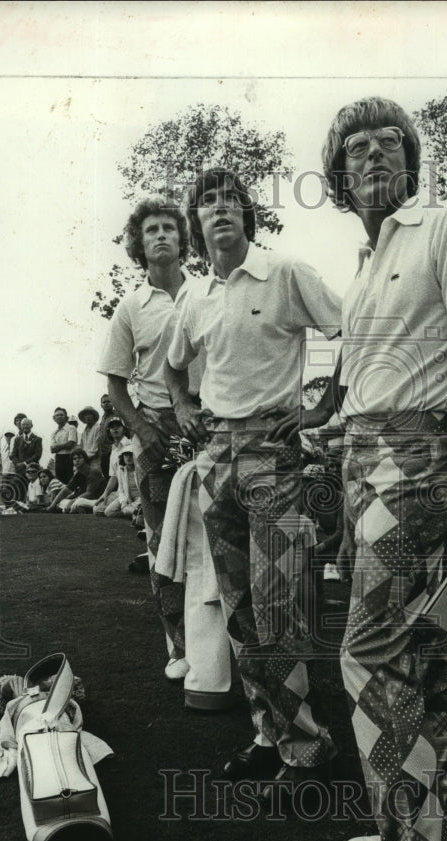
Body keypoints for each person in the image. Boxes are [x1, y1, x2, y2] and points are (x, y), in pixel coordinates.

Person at [274, 97, 447, 841]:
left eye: (388, 144)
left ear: (412, 160)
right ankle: (438, 837)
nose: (372, 157)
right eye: (355, 149)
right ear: (336, 176)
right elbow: (363, 389)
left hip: (421, 467)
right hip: (370, 465)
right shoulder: (370, 258)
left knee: (371, 658)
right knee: (428, 666)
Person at [165, 168, 342, 786]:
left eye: (229, 200)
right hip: (216, 458)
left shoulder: (285, 273)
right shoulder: (194, 296)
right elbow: (174, 369)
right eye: (207, 202)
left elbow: (351, 330)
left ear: (247, 214)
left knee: (281, 605)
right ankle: (269, 733)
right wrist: (185, 408)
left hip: (273, 452)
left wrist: (322, 407)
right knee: (239, 607)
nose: (219, 209)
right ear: (197, 221)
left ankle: (307, 747)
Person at [97, 195, 202, 678]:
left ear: (183, 240)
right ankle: (179, 646)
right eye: (151, 230)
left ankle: (219, 649)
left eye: (169, 228)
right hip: (155, 434)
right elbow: (116, 383)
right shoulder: (130, 307)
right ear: (139, 245)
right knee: (164, 544)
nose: (161, 235)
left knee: (214, 540)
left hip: (210, 426)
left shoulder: (208, 292)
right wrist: (142, 429)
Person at [92, 417, 131, 517]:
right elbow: (113, 477)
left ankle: (134, 511)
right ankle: (130, 510)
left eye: (118, 426)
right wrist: (105, 494)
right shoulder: (113, 450)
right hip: (120, 491)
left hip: (132, 489)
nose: (115, 429)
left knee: (108, 512)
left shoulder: (131, 444)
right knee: (97, 509)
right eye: (112, 427)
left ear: (124, 429)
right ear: (109, 431)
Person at [47, 449, 105, 513]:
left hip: (98, 500)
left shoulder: (93, 472)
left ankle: (79, 509)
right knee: (62, 501)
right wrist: (52, 505)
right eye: (74, 459)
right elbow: (65, 491)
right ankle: (74, 509)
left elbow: (89, 494)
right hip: (85, 500)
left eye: (80, 458)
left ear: (85, 459)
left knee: (77, 502)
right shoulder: (78, 474)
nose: (77, 460)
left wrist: (71, 502)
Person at [50, 406, 77, 485]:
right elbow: (52, 450)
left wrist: (57, 446)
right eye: (57, 415)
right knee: (61, 482)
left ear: (66, 417)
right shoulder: (54, 432)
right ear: (54, 418)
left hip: (69, 457)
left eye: (61, 415)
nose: (59, 417)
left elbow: (70, 444)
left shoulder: (71, 428)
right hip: (59, 459)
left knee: (71, 481)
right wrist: (63, 445)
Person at [97, 394, 116, 477]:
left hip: (113, 451)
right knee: (106, 475)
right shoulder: (103, 418)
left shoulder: (116, 415)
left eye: (108, 401)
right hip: (103, 453)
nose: (106, 403)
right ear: (101, 405)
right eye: (104, 402)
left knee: (114, 475)